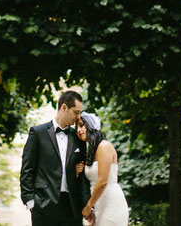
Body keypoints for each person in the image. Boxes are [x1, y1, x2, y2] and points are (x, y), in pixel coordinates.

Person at [21, 90, 92, 226]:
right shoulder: (38, 133)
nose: (78, 118)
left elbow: (82, 177)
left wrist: (87, 205)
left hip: (72, 207)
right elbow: (27, 170)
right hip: (43, 206)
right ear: (64, 108)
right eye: (76, 112)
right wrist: (31, 202)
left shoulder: (78, 138)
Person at [75, 112, 129, 226]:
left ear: (91, 126)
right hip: (97, 203)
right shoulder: (91, 151)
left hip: (110, 202)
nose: (78, 130)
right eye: (77, 127)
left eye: (81, 125)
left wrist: (88, 207)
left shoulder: (104, 146)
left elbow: (103, 181)